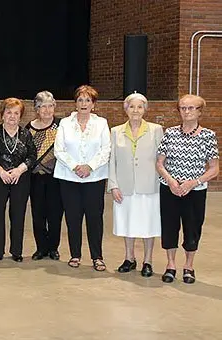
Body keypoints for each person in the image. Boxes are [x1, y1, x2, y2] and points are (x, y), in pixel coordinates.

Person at [156, 94, 219, 284]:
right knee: (169, 227)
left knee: (192, 228)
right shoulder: (170, 133)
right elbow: (159, 163)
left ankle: (189, 266)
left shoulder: (208, 136)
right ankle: (171, 264)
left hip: (195, 191)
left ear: (200, 112)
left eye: (191, 108)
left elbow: (215, 168)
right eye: (183, 108)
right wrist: (171, 181)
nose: (186, 111)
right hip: (170, 189)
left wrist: (194, 182)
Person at [53, 85, 110, 271]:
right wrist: (75, 167)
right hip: (69, 178)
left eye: (88, 100)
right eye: (80, 100)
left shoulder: (101, 123)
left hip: (94, 178)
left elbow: (105, 150)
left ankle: (97, 257)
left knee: (94, 218)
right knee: (73, 217)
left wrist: (90, 167)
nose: (83, 103)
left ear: (93, 104)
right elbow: (59, 150)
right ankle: (75, 254)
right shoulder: (64, 123)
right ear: (75, 103)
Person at [108, 93, 163, 276]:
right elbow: (112, 161)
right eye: (132, 107)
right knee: (127, 222)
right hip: (125, 186)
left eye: (140, 107)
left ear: (145, 109)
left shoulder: (156, 130)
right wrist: (113, 185)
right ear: (126, 109)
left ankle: (148, 261)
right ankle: (129, 258)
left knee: (149, 224)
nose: (135, 110)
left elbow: (161, 160)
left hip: (149, 185)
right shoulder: (116, 131)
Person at [0, 98, 36, 262]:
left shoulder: (26, 134)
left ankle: (16, 252)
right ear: (2, 114)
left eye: (16, 113)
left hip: (19, 180)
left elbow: (32, 156)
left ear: (20, 116)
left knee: (18, 215)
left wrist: (19, 170)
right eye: (9, 112)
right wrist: (2, 172)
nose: (12, 116)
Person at [25, 91, 64, 260]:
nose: (47, 110)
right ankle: (41, 247)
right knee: (38, 214)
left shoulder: (62, 126)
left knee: (55, 214)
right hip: (35, 178)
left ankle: (53, 248)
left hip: (56, 177)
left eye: (50, 106)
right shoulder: (29, 127)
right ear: (36, 109)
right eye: (43, 107)